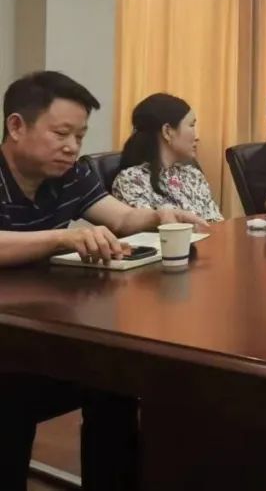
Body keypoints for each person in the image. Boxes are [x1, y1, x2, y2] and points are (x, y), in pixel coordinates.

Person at [0, 71, 204, 489]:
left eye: (80, 135)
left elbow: (122, 218)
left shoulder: (72, 175)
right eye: (61, 133)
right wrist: (61, 237)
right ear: (16, 126)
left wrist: (160, 215)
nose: (72, 146)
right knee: (10, 403)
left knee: (114, 381)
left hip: (37, 333)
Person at [112, 93, 224, 221]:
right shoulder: (131, 181)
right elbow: (148, 230)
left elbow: (217, 223)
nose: (197, 136)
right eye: (191, 125)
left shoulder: (193, 175)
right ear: (167, 131)